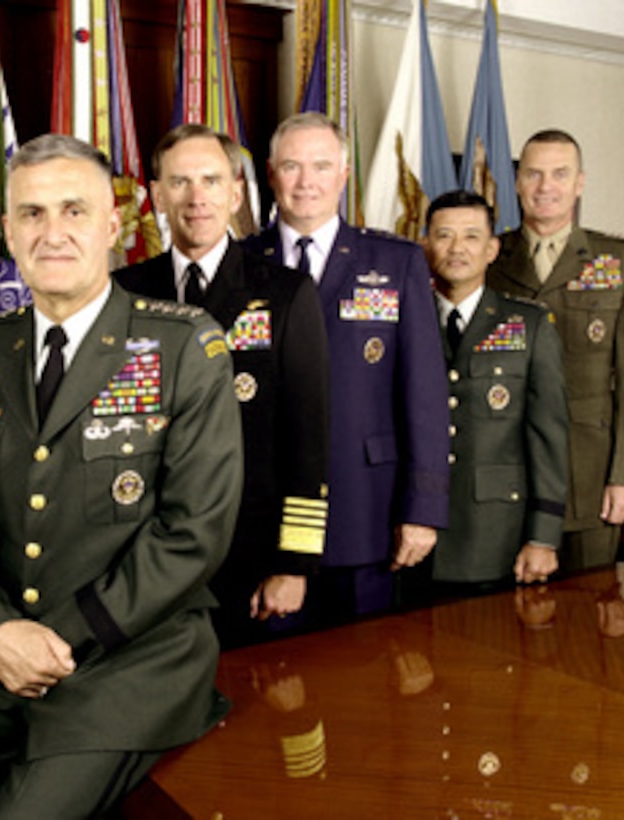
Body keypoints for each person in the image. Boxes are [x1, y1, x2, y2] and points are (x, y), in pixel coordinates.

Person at [0, 134, 244, 818]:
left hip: (125, 661)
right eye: (31, 214)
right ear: (7, 228)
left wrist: (55, 639)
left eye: (73, 211)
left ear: (114, 225)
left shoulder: (185, 344)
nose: (51, 232)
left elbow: (193, 534)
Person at [115, 123, 329, 647]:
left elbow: (308, 439)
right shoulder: (125, 292)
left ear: (236, 193)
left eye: (211, 181)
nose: (196, 198)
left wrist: (293, 563)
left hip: (250, 555)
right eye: (180, 182)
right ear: (158, 195)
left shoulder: (284, 292)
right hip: (145, 554)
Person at [248, 112, 449, 618]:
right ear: (271, 174)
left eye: (321, 165)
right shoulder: (241, 264)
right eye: (292, 166)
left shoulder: (396, 261)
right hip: (264, 515)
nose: (306, 181)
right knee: (272, 680)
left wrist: (423, 510)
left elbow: (424, 395)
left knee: (364, 677)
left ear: (343, 174)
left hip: (367, 509)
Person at [488, 129, 624, 570]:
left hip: (587, 475)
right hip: (503, 472)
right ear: (517, 182)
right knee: (498, 623)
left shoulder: (620, 261)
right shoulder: (489, 258)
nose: (546, 186)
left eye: (560, 174)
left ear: (580, 182)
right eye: (534, 174)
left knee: (589, 613)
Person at [418, 190, 568, 592]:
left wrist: (543, 535)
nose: (456, 248)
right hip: (412, 532)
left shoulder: (529, 325)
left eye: (470, 236)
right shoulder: (403, 321)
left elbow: (548, 438)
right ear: (425, 244)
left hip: (494, 531)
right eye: (444, 235)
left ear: (492, 248)